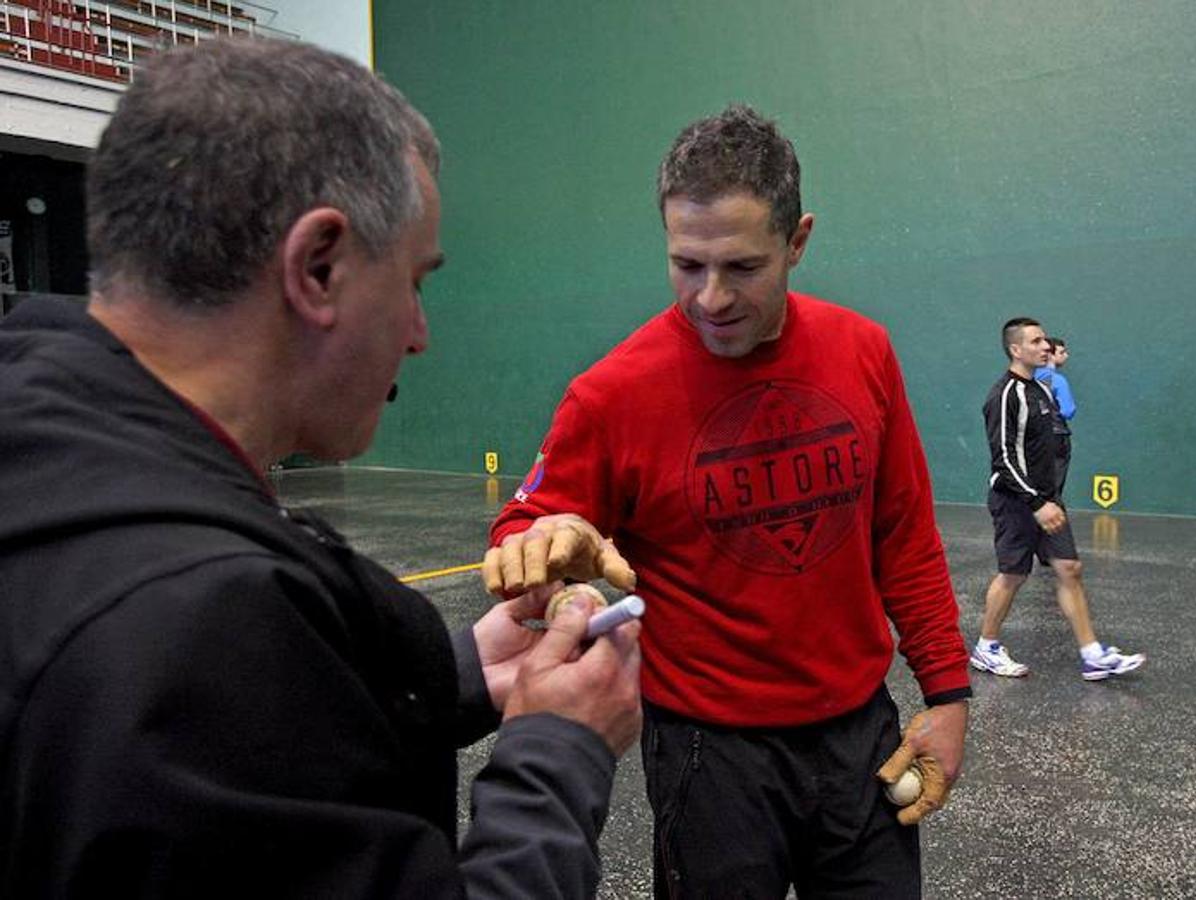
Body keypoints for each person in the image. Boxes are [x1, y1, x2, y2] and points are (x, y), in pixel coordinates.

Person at [0, 39, 642, 898]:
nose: (419, 332)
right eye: (414, 282)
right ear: (318, 267)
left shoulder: (54, 467)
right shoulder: (200, 617)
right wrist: (557, 751)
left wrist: (449, 677)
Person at [484, 104, 970, 898]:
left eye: (741, 267)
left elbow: (903, 533)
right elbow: (527, 531)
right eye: (685, 264)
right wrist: (546, 536)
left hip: (860, 738)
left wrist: (947, 698)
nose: (709, 298)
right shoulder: (611, 392)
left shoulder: (863, 349)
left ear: (797, 241)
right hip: (708, 756)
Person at [971, 318, 1146, 681]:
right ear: (1015, 350)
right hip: (1017, 501)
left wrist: (1049, 499)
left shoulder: (1039, 390)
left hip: (1048, 500)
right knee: (1013, 574)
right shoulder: (1006, 395)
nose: (1045, 346)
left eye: (1045, 340)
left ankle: (1092, 654)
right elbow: (1004, 459)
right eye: (1036, 341)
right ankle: (986, 647)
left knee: (1069, 569)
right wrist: (1036, 503)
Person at [1034, 336, 1076, 497]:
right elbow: (1068, 411)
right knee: (1054, 488)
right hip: (1057, 437)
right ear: (1049, 355)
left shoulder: (1029, 378)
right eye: (1062, 352)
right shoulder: (1057, 380)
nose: (1066, 355)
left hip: (1034, 438)